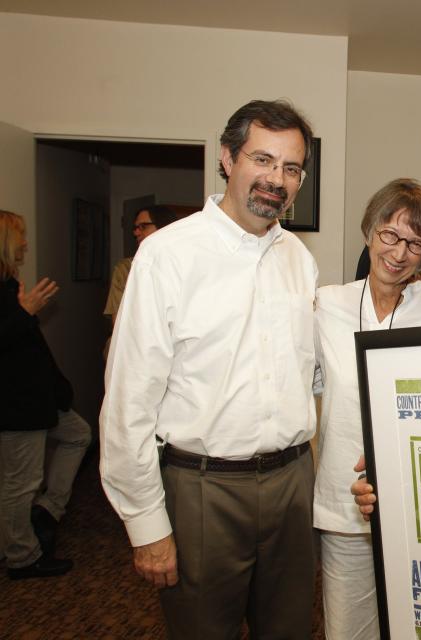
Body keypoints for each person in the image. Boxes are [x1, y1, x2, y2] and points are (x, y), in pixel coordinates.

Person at [100, 100, 320, 638]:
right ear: (227, 158)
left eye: (291, 168)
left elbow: (310, 376)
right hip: (204, 491)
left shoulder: (299, 258)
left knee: (291, 629)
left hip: (293, 485)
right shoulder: (167, 257)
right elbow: (129, 401)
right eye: (262, 160)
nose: (276, 179)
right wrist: (146, 524)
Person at [314, 178, 421, 640]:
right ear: (370, 231)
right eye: (390, 234)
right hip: (343, 508)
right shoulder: (326, 304)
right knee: (349, 632)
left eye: (416, 242)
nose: (399, 251)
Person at [1, 209, 92, 579]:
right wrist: (25, 312)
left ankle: (48, 510)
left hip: (41, 399)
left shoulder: (10, 284)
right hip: (15, 404)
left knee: (79, 435)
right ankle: (23, 556)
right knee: (19, 484)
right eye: (20, 236)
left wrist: (58, 388)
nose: (25, 243)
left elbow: (29, 346)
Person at [103, 204, 178, 326]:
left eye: (143, 226)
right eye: (136, 227)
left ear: (164, 227)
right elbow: (119, 324)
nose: (136, 232)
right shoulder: (126, 269)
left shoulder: (183, 264)